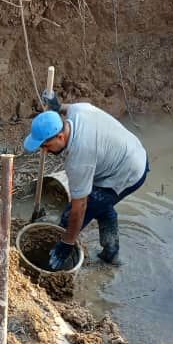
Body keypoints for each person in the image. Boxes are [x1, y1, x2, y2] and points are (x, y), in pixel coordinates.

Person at [22, 104, 149, 269]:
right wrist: (57, 105)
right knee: (100, 204)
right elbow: (65, 108)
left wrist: (67, 242)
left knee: (70, 218)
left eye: (46, 146)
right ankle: (111, 252)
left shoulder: (78, 160)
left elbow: (79, 208)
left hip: (128, 172)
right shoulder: (77, 110)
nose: (44, 152)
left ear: (60, 137)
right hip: (130, 150)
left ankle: (101, 256)